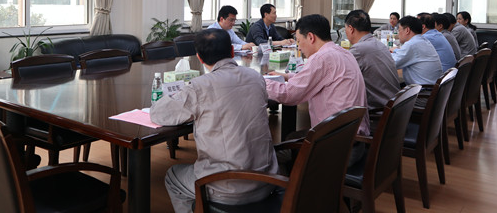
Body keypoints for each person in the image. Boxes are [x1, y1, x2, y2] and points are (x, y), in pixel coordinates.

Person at [150, 29, 278, 212]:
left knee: (172, 177)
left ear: (199, 58)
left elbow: (159, 114)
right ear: (232, 51)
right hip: (267, 180)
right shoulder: (256, 77)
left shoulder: (200, 86)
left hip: (226, 188)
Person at [265, 14, 369, 166]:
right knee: (294, 138)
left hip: (337, 147)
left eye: (299, 41)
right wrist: (287, 76)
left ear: (311, 37)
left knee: (282, 149)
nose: (299, 47)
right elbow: (318, 78)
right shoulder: (342, 52)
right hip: (354, 139)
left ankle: (295, 180)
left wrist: (260, 81)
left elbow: (288, 95)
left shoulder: (321, 58)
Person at [344, 10, 401, 111]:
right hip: (395, 106)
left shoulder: (358, 50)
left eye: (345, 29)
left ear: (351, 29)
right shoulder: (380, 44)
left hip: (380, 111)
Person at [392, 16, 443, 85]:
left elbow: (392, 64)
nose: (398, 34)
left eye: (399, 30)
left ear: (407, 30)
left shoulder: (412, 44)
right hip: (432, 85)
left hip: (423, 89)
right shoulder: (422, 40)